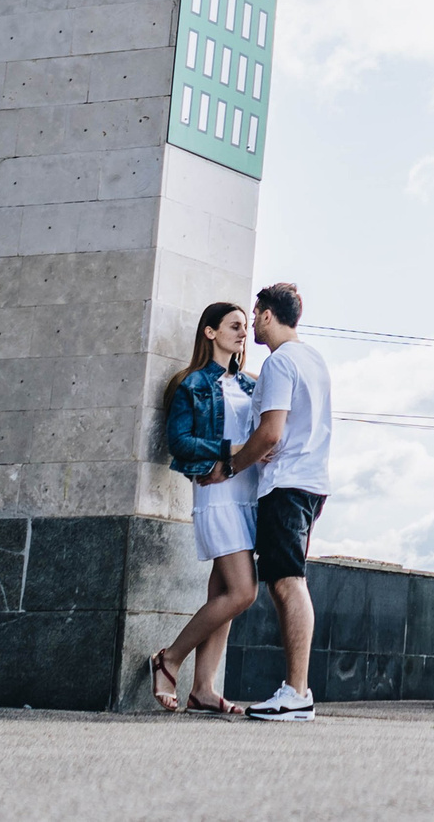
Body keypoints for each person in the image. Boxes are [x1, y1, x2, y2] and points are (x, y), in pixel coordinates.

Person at [150, 301, 261, 715]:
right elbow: (179, 442)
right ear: (210, 332)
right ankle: (170, 658)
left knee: (224, 591)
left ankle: (204, 688)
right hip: (218, 494)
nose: (242, 332)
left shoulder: (252, 385)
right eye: (234, 325)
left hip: (249, 495)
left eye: (246, 327)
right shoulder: (191, 384)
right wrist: (228, 450)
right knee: (242, 592)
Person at [231, 280, 333, 724]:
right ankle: (296, 691)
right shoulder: (311, 358)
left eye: (255, 314)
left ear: (269, 314)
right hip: (310, 482)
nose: (252, 322)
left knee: (287, 581)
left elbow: (271, 432)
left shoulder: (278, 364)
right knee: (285, 580)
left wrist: (232, 464)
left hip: (287, 484)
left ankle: (296, 692)